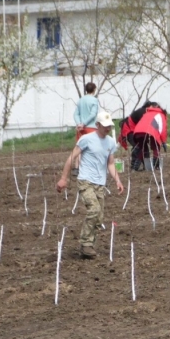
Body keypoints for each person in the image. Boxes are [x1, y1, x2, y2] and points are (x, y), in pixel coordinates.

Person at [56, 111, 124, 259]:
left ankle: (89, 246)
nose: (107, 129)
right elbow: (71, 158)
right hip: (85, 181)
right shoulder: (86, 139)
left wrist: (118, 180)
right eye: (105, 126)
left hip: (100, 184)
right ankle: (86, 244)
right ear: (97, 125)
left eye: (109, 126)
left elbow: (111, 163)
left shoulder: (110, 143)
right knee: (93, 209)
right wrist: (64, 178)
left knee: (99, 218)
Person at [119, 101, 157, 171]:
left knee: (144, 147)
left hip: (136, 130)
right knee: (137, 147)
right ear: (150, 106)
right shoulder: (143, 112)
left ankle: (146, 166)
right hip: (129, 129)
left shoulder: (147, 112)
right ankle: (134, 166)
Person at [72, 82, 100, 174]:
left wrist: (79, 124)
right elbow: (93, 114)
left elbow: (76, 114)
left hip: (81, 128)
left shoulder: (80, 100)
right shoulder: (94, 100)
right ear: (94, 90)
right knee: (93, 148)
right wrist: (84, 123)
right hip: (91, 127)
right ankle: (92, 167)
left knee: (80, 147)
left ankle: (77, 168)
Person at [133, 104, 168, 170]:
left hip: (138, 131)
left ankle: (135, 167)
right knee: (156, 147)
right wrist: (163, 142)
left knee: (142, 148)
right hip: (150, 131)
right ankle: (156, 165)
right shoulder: (161, 115)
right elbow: (162, 129)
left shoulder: (147, 113)